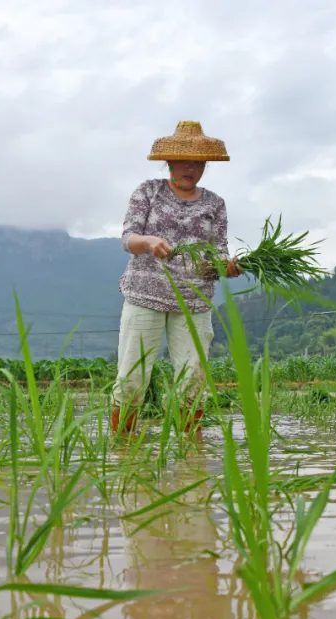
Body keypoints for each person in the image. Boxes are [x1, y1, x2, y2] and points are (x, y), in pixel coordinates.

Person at [111, 120, 241, 438]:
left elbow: (217, 254)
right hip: (145, 296)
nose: (190, 168)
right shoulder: (148, 192)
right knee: (132, 376)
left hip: (194, 302)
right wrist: (149, 242)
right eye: (184, 161)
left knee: (194, 378)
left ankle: (189, 457)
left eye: (198, 163)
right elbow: (128, 238)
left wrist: (227, 267)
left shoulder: (215, 205)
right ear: (169, 162)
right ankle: (121, 449)